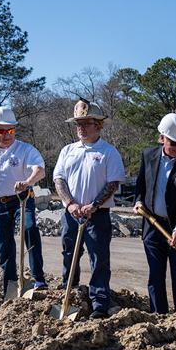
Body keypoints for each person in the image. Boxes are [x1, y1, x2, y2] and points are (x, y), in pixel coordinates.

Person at [53, 99, 126, 320]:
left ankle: (100, 302)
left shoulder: (108, 152)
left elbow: (113, 183)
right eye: (78, 124)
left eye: (86, 123)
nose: (81, 128)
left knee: (99, 257)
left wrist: (94, 205)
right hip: (71, 213)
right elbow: (59, 179)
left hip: (98, 214)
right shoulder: (68, 150)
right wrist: (70, 203)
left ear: (98, 125)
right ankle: (70, 290)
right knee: (69, 252)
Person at [0, 106, 48, 297]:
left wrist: (27, 182)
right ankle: (11, 287)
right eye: (1, 131)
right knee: (5, 247)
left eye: (10, 130)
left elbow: (40, 170)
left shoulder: (25, 150)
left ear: (15, 130)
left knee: (29, 229)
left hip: (22, 199)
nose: (6, 135)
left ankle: (38, 279)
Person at [133, 113, 176, 314]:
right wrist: (138, 201)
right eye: (173, 142)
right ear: (162, 138)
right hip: (152, 225)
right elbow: (141, 185)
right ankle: (159, 316)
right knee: (155, 275)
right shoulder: (148, 156)